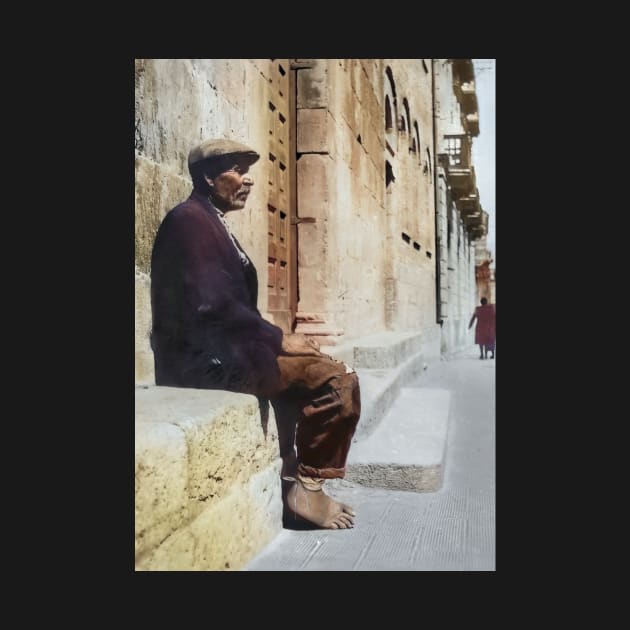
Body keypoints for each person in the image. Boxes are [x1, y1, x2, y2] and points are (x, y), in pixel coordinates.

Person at [150, 138, 361, 530]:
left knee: (328, 367)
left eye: (248, 173)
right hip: (202, 363)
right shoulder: (189, 221)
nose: (247, 181)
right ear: (208, 177)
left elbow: (229, 307)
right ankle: (307, 489)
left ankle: (294, 474)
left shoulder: (209, 220)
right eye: (237, 171)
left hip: (225, 351)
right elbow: (213, 306)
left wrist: (279, 342)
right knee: (338, 382)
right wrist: (281, 339)